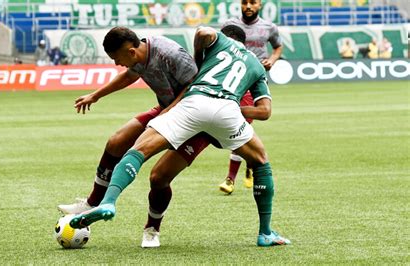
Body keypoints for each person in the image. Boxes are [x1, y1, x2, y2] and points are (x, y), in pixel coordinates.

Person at [69, 25, 291, 247]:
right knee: (261, 162)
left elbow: (203, 32)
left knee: (139, 153)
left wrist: (199, 56)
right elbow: (265, 112)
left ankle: (109, 202)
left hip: (192, 103)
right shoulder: (257, 66)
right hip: (224, 111)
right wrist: (231, 107)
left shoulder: (214, 44)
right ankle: (265, 233)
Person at [219, 0, 283, 194]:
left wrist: (271, 60)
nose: (248, 6)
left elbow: (278, 46)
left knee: (240, 125)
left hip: (254, 81)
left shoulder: (269, 27)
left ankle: (230, 179)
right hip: (233, 81)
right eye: (245, 2)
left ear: (260, 5)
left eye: (252, 2)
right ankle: (250, 163)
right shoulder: (230, 26)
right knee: (236, 125)